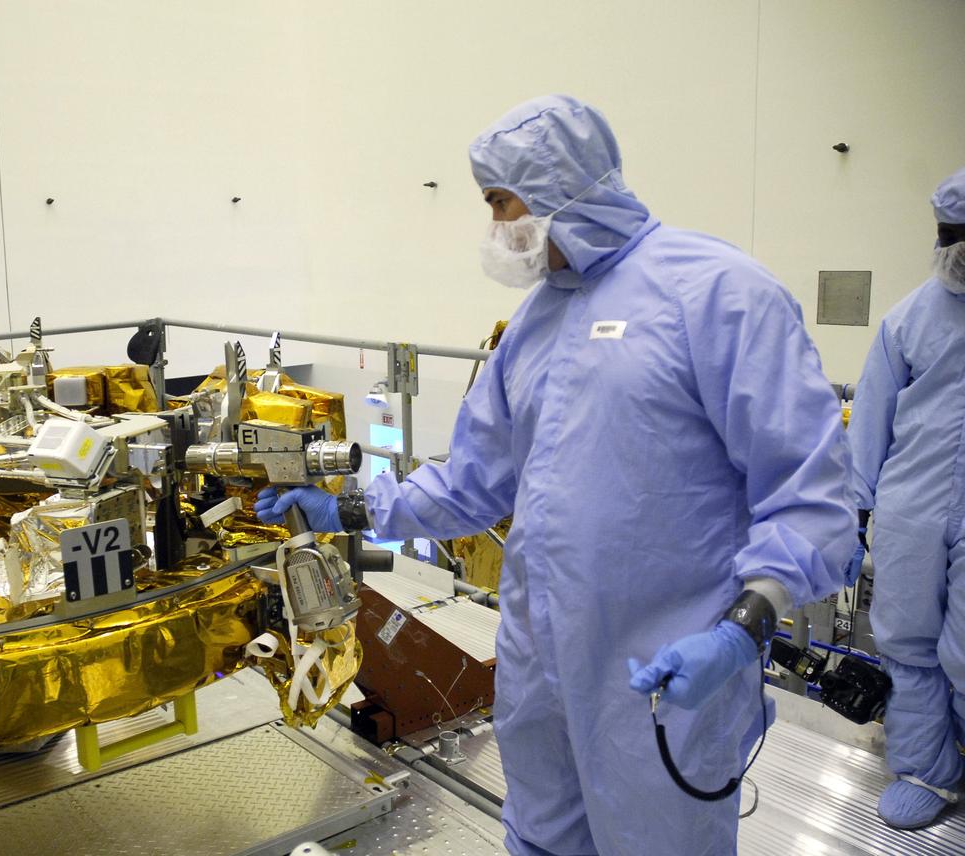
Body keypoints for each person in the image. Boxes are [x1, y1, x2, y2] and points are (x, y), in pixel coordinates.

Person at [256, 95, 853, 855]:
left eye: (500, 202)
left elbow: (809, 494)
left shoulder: (719, 294)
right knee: (540, 839)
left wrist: (743, 630)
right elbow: (474, 482)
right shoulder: (535, 324)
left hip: (666, 674)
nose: (497, 225)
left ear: (558, 189)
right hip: (540, 666)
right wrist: (355, 508)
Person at [847, 167, 965, 830]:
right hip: (911, 509)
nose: (958, 248)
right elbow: (870, 421)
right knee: (909, 644)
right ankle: (926, 768)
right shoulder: (909, 320)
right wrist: (850, 513)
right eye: (951, 234)